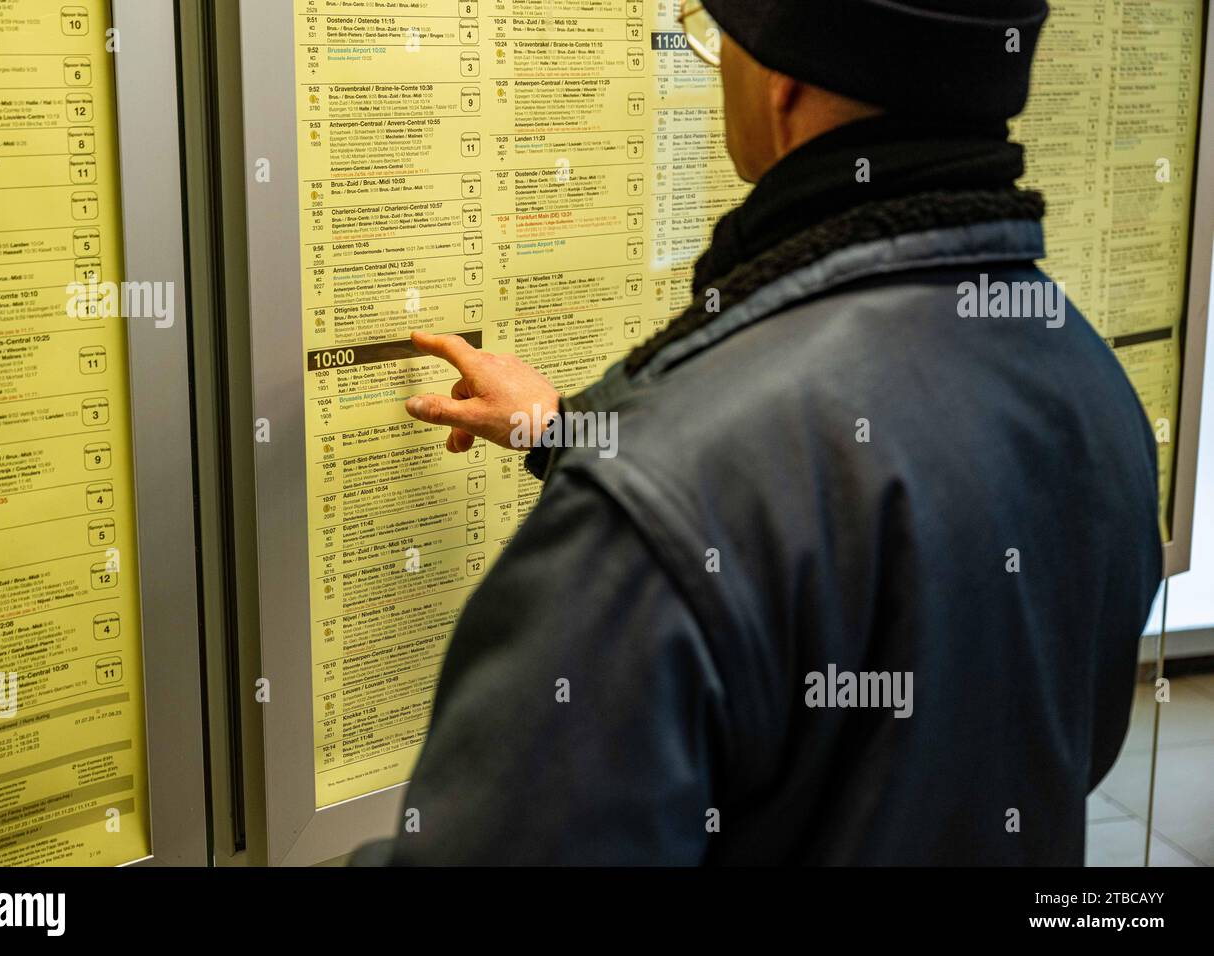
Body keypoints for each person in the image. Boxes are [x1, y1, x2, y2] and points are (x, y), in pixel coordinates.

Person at [370, 0, 1163, 864]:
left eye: (719, 34)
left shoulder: (668, 486)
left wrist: (637, 472)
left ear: (781, 81)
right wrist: (568, 432)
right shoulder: (1088, 380)